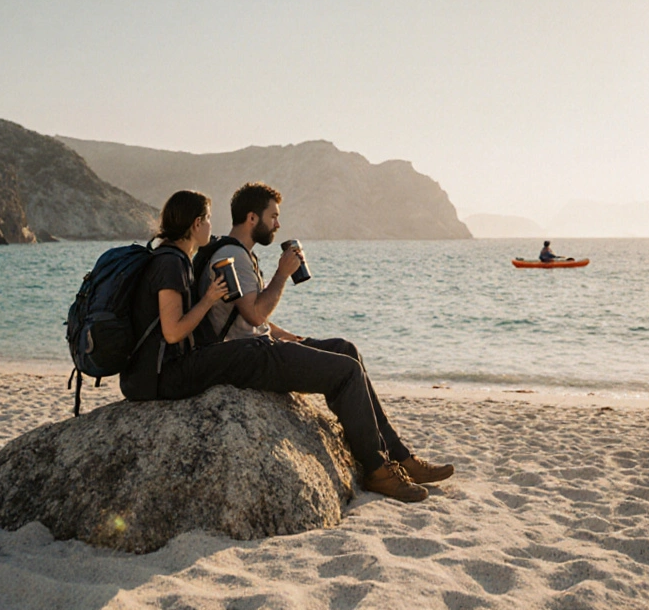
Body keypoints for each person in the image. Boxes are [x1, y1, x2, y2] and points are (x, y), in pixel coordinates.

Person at [121, 188, 452, 503]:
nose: (278, 224)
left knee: (346, 349)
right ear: (253, 218)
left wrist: (284, 334)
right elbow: (251, 314)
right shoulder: (226, 256)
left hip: (255, 343)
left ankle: (400, 456)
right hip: (246, 354)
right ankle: (377, 470)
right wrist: (282, 274)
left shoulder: (231, 254)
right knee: (346, 372)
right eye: (274, 216)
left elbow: (245, 316)